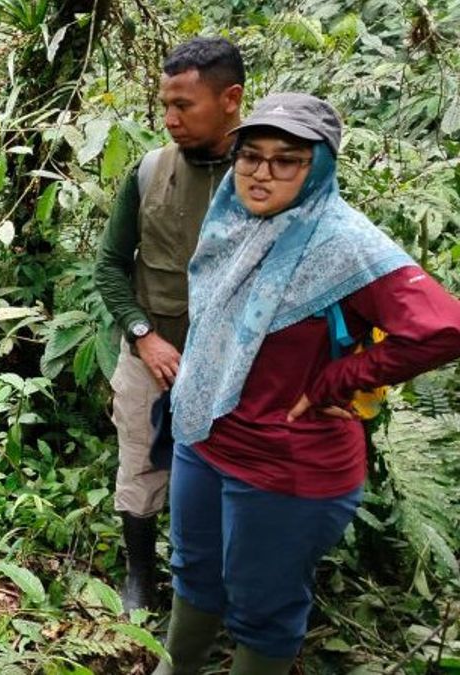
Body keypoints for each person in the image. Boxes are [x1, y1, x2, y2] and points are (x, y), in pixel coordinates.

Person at [157, 93, 460, 675]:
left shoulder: (344, 244)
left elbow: (442, 328)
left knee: (263, 609)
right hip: (205, 437)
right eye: (251, 156)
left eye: (286, 159)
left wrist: (336, 380)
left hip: (286, 464)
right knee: (194, 572)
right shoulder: (233, 221)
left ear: (317, 166)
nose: (261, 172)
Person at [94, 37, 244, 611]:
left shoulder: (267, 171)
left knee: (228, 475)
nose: (170, 119)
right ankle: (140, 577)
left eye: (185, 105)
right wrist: (142, 334)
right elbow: (110, 266)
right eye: (165, 105)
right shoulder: (151, 170)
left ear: (230, 99)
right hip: (153, 355)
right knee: (139, 460)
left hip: (236, 366)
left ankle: (214, 588)